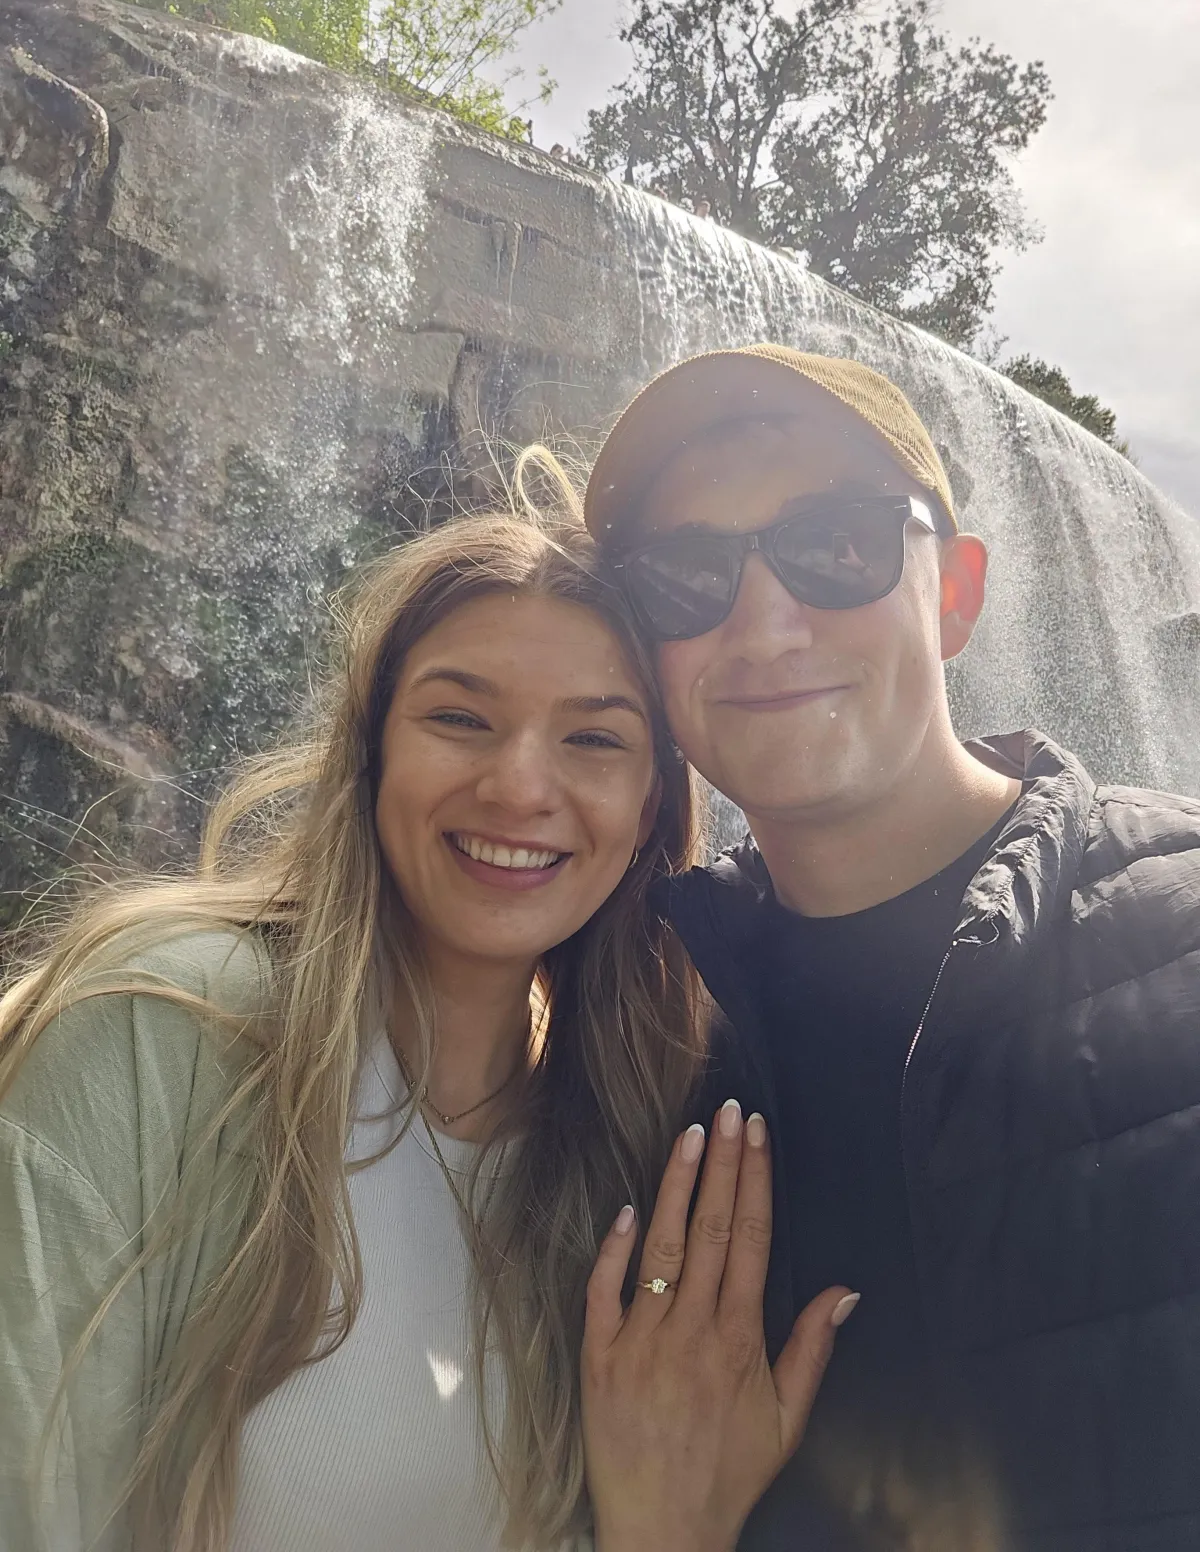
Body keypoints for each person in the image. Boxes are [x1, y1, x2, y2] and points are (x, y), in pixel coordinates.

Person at [0, 462, 854, 1552]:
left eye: (595, 738)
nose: (520, 787)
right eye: (460, 717)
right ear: (372, 752)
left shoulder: (633, 1144)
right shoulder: (159, 1028)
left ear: (651, 808)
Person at [582, 344, 1200, 1552]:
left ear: (956, 594)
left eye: (838, 545)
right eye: (688, 576)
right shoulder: (632, 1014)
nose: (764, 624)